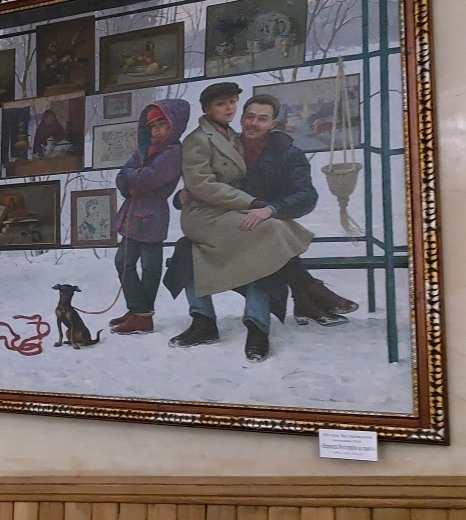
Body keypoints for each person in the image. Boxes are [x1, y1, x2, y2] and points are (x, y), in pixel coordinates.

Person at [169, 82, 313, 361]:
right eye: (221, 104)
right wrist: (253, 204)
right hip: (204, 216)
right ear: (207, 109)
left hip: (229, 213)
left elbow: (301, 191)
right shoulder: (198, 139)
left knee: (265, 237)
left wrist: (267, 206)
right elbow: (202, 184)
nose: (229, 108)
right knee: (266, 230)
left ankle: (257, 325)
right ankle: (306, 287)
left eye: (233, 102)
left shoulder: (234, 137)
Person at [234, 95, 357, 326]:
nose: (254, 123)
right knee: (271, 233)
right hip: (232, 225)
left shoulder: (288, 153)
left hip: (268, 227)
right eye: (249, 117)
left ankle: (305, 298)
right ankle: (309, 291)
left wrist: (271, 209)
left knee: (271, 231)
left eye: (262, 119)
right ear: (241, 119)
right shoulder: (226, 148)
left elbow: (306, 196)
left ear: (273, 124)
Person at [108, 99, 190, 335]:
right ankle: (137, 310)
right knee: (123, 261)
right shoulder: (144, 150)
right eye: (152, 126)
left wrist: (132, 176)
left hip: (153, 215)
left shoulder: (173, 152)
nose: (156, 130)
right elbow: (121, 177)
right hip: (132, 213)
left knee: (150, 266)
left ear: (173, 124)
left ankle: (144, 316)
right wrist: (130, 181)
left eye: (162, 124)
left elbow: (151, 178)